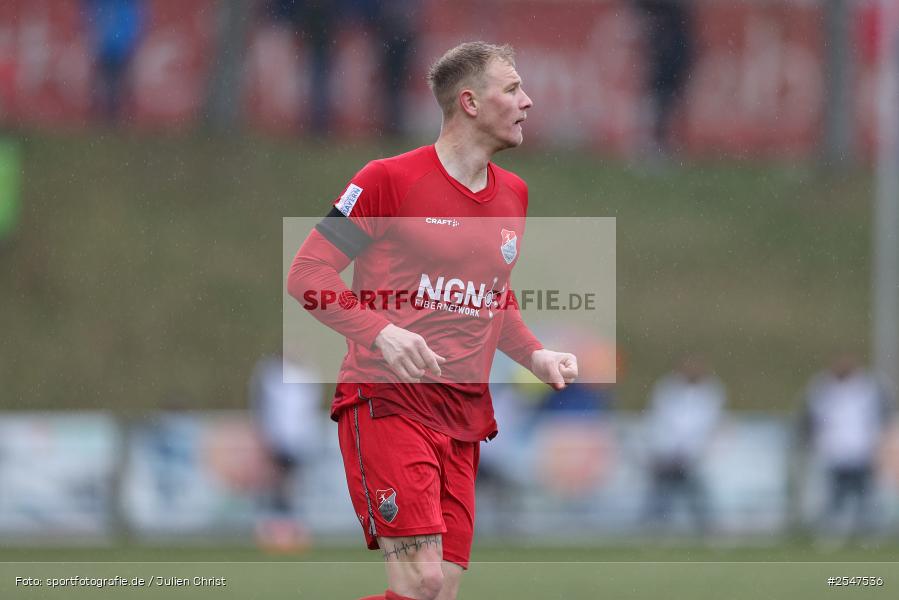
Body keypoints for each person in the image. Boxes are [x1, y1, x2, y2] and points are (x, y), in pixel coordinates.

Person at [287, 42, 578, 600]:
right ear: (469, 102)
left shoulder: (513, 194)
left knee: (438, 591)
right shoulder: (388, 180)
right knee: (421, 582)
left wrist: (534, 354)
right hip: (389, 401)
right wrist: (380, 331)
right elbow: (307, 273)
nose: (529, 101)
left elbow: (492, 297)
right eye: (513, 89)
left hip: (464, 413)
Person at [798, 353, 895, 537]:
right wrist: (811, 444)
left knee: (866, 500)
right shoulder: (821, 389)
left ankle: (868, 537)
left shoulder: (869, 388)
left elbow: (883, 418)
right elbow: (809, 421)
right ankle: (831, 536)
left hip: (863, 454)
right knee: (834, 500)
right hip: (833, 454)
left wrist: (882, 447)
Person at [643, 355, 725, 534]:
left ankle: (706, 528)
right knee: (662, 494)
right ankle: (655, 528)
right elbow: (661, 421)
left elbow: (707, 424)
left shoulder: (711, 392)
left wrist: (692, 450)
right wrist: (664, 449)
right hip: (667, 454)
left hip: (693, 455)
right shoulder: (667, 389)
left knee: (696, 494)